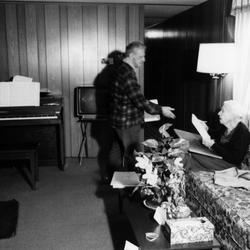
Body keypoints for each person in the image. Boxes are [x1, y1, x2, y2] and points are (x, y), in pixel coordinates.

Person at [109, 41, 175, 171]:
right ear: (132, 55)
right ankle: (130, 187)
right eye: (141, 57)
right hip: (127, 123)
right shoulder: (127, 73)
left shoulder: (119, 68)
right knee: (133, 155)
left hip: (117, 120)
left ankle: (111, 179)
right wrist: (161, 109)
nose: (144, 60)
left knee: (116, 150)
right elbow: (139, 100)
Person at [201, 100, 250, 166]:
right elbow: (215, 135)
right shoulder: (226, 125)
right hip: (219, 158)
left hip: (230, 166)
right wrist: (206, 128)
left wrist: (213, 145)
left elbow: (235, 159)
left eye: (222, 111)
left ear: (231, 115)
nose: (219, 113)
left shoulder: (243, 132)